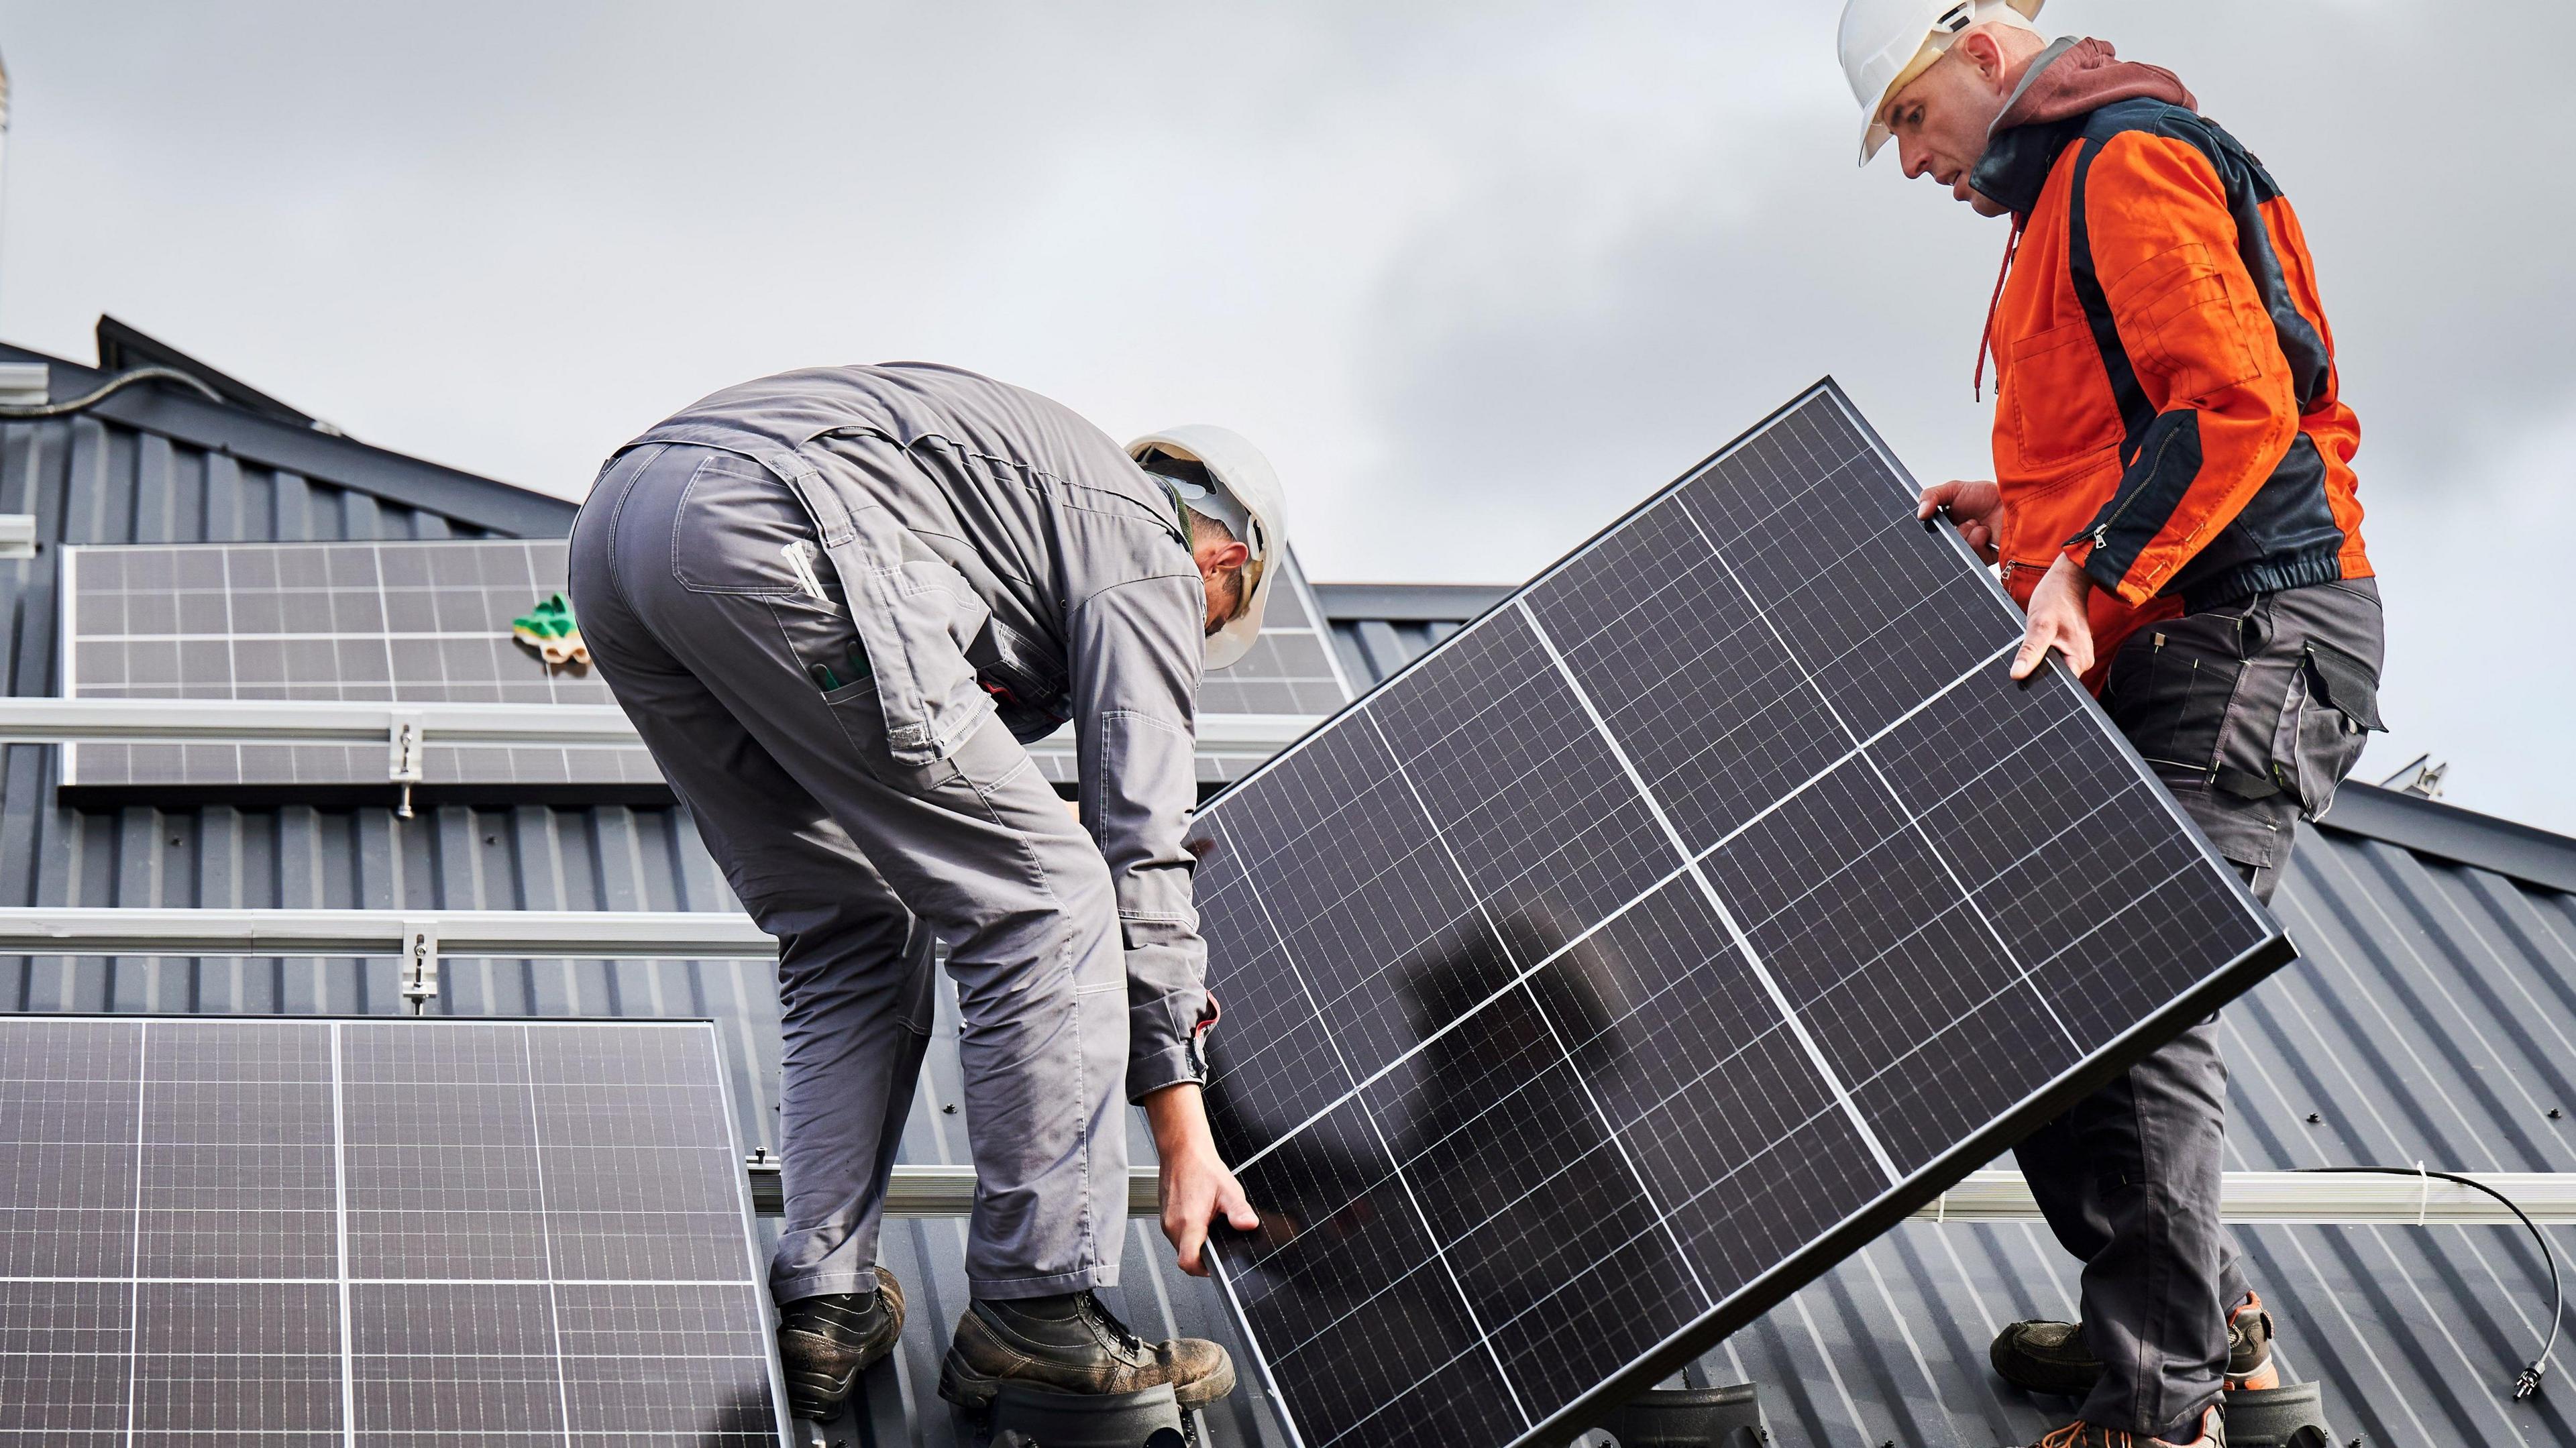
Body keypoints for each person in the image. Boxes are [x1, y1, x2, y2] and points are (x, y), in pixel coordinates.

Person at [1837, 3, 2387, 1445]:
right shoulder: (2060, 204)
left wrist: (2087, 568)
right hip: (2173, 631)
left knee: (2134, 989)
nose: (1911, 163)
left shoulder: (2130, 160)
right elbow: (2123, 432)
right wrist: (2017, 515)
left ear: (1982, 53)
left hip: (2251, 633)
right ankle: (2208, 1327)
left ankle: (2164, 1411)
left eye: (1908, 117)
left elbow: (2231, 404)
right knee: (2037, 1009)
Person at [568, 362, 1273, 1421]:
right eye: (1211, 622)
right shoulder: (1152, 549)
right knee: (1049, 896)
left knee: (850, 919)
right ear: (1226, 557)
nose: (1192, 640)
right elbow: (1143, 842)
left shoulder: (1025, 499)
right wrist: (1182, 1121)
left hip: (622, 536)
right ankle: (1036, 1310)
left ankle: (827, 1297)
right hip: (775, 520)